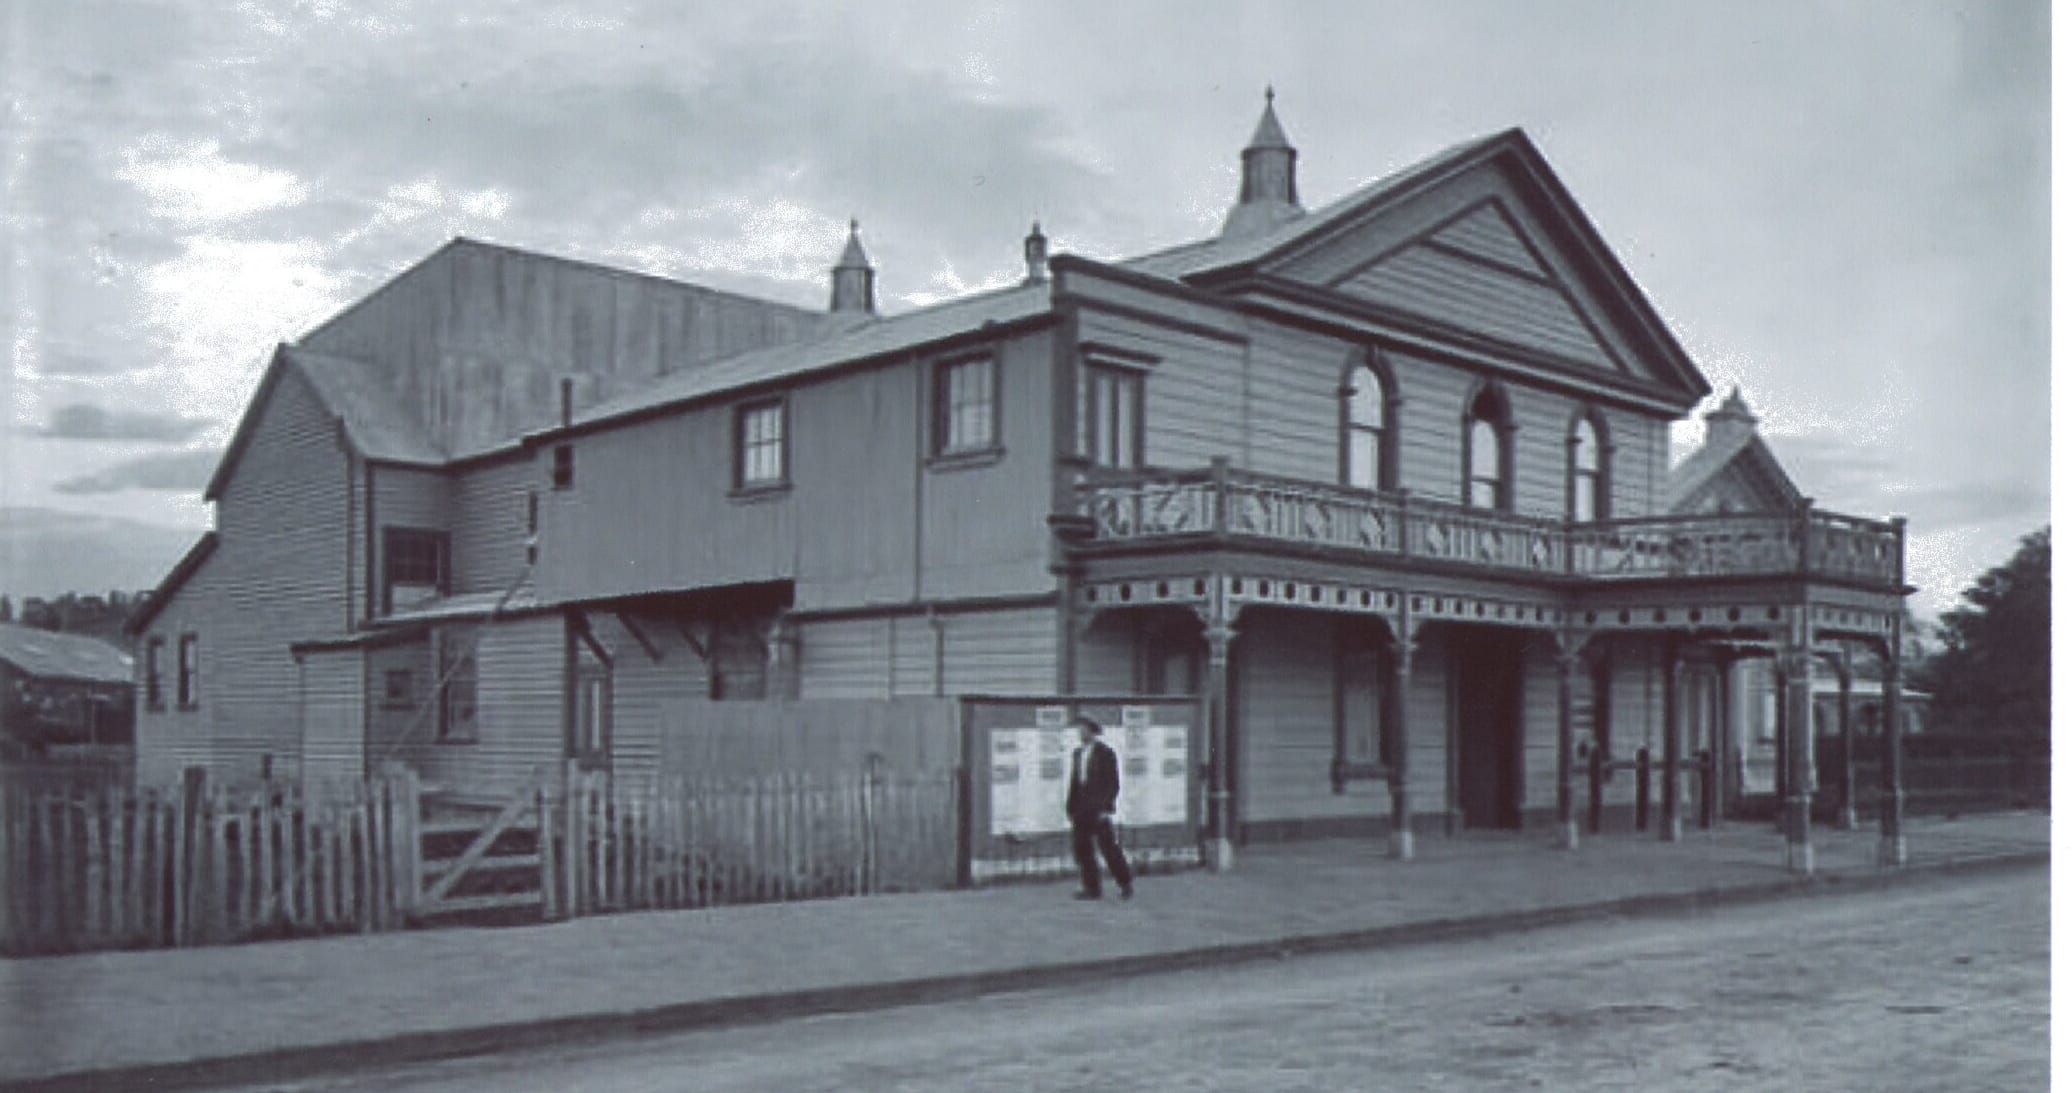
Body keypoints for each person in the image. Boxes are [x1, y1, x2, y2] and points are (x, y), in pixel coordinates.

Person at [1065, 715, 1133, 900]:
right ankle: (1092, 887)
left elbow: (1113, 783)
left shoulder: (1106, 753)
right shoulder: (1078, 753)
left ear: (1092, 731)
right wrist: (1070, 807)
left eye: (1084, 729)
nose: (1080, 732)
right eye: (1079, 729)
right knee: (1083, 848)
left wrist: (1106, 807)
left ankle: (1125, 882)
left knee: (1108, 848)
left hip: (1098, 808)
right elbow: (1075, 782)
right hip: (1081, 808)